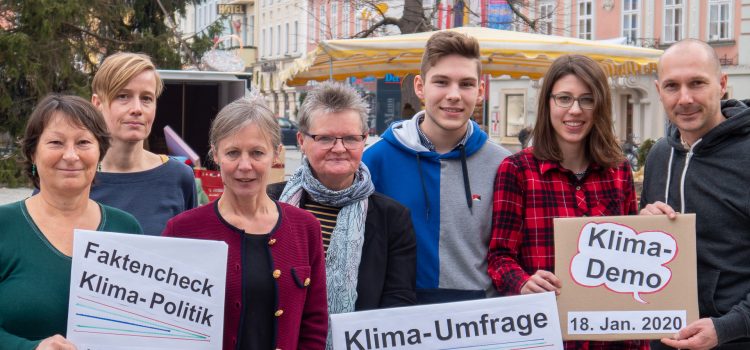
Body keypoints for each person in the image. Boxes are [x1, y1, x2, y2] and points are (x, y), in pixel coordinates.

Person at [487, 55, 647, 349]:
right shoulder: (518, 171)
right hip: (546, 333)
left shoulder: (618, 169)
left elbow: (631, 261)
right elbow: (499, 257)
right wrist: (522, 282)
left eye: (587, 100)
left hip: (609, 336)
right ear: (548, 103)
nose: (575, 110)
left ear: (599, 106)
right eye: (564, 98)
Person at [162, 97, 327, 350]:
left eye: (257, 153)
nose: (245, 165)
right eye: (233, 153)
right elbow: (164, 322)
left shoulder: (305, 228)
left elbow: (314, 322)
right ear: (215, 154)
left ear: (276, 154)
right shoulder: (182, 231)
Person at [363, 30, 511, 304]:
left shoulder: (503, 165)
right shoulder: (374, 161)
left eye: (466, 84)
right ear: (420, 87)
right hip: (397, 321)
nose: (453, 95)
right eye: (441, 82)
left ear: (480, 91)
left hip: (478, 325)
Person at [0, 95, 142, 349]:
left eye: (83, 142)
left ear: (100, 153)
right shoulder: (4, 226)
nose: (71, 155)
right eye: (56, 142)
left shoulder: (126, 229)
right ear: (33, 153)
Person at [268, 82, 417, 316]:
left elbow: (397, 305)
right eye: (325, 138)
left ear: (364, 139)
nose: (339, 148)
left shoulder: (393, 219)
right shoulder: (269, 202)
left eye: (350, 138)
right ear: (301, 141)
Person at [640, 39, 750, 350]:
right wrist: (643, 226)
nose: (685, 98)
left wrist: (728, 327)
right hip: (664, 337)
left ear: (722, 84)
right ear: (659, 91)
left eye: (697, 83)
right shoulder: (659, 156)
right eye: (673, 86)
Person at [90, 52, 196, 235]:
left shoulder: (179, 177)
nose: (137, 109)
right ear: (97, 103)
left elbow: (190, 254)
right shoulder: (73, 175)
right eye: (123, 96)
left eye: (146, 98)